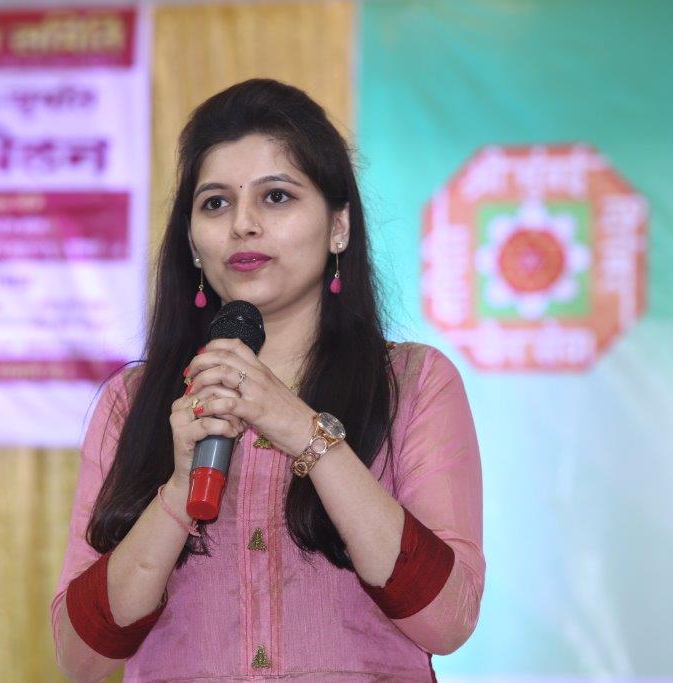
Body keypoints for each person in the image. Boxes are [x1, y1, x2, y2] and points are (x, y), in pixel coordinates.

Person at [51, 79, 484, 682]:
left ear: (338, 226)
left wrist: (305, 432)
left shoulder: (413, 383)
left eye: (276, 197)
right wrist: (177, 491)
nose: (243, 225)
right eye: (215, 203)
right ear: (193, 243)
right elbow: (82, 657)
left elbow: (448, 621)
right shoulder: (133, 403)